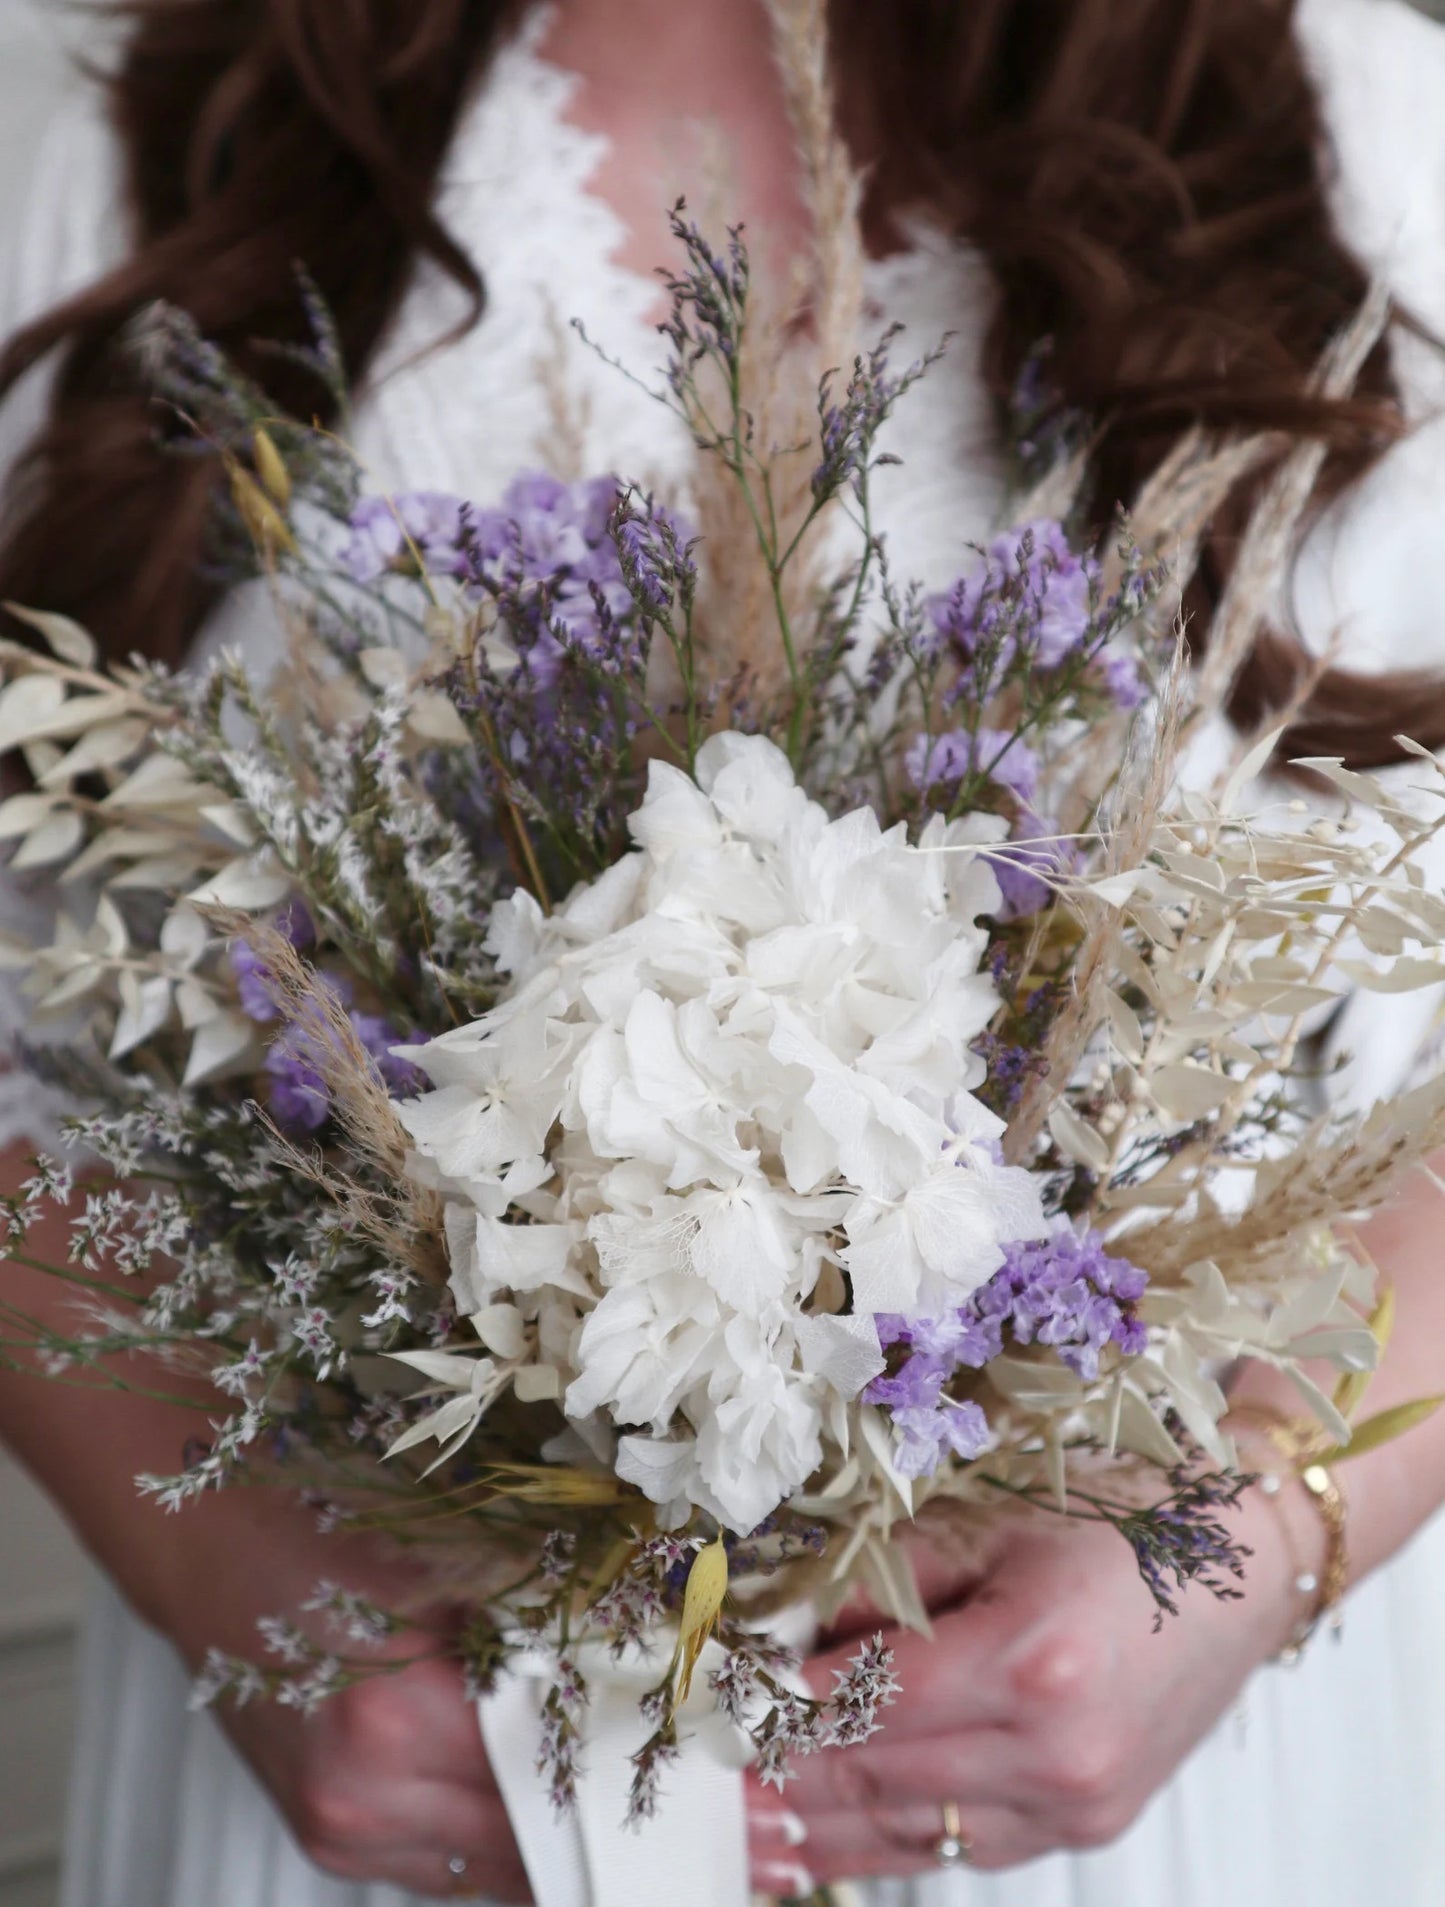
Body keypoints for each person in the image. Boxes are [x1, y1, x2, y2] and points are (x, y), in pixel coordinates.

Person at [3, 1, 1445, 1902]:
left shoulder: (1383, 149)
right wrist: (213, 1568)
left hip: (1162, 1781)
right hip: (384, 1781)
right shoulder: (126, 138)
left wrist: (1272, 1539)